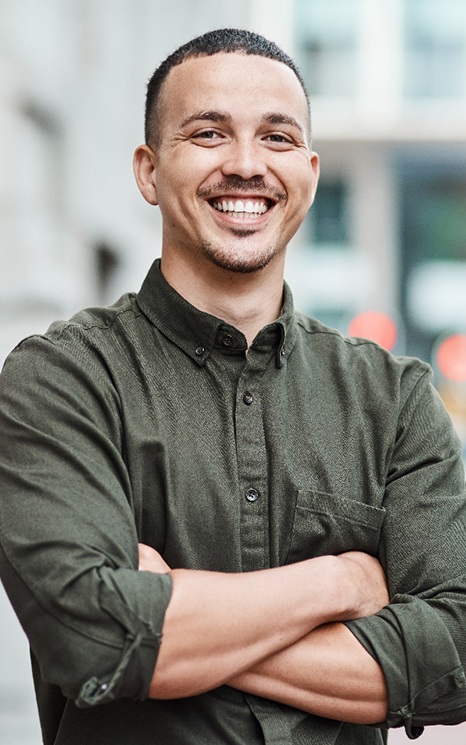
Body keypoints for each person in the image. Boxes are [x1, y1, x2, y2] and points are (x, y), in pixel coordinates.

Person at [1, 27, 466, 745]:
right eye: (210, 133)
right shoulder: (61, 380)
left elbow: (455, 656)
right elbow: (90, 635)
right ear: (148, 170)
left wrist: (171, 613)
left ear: (310, 170)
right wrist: (340, 584)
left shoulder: (395, 400)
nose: (246, 165)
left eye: (277, 138)